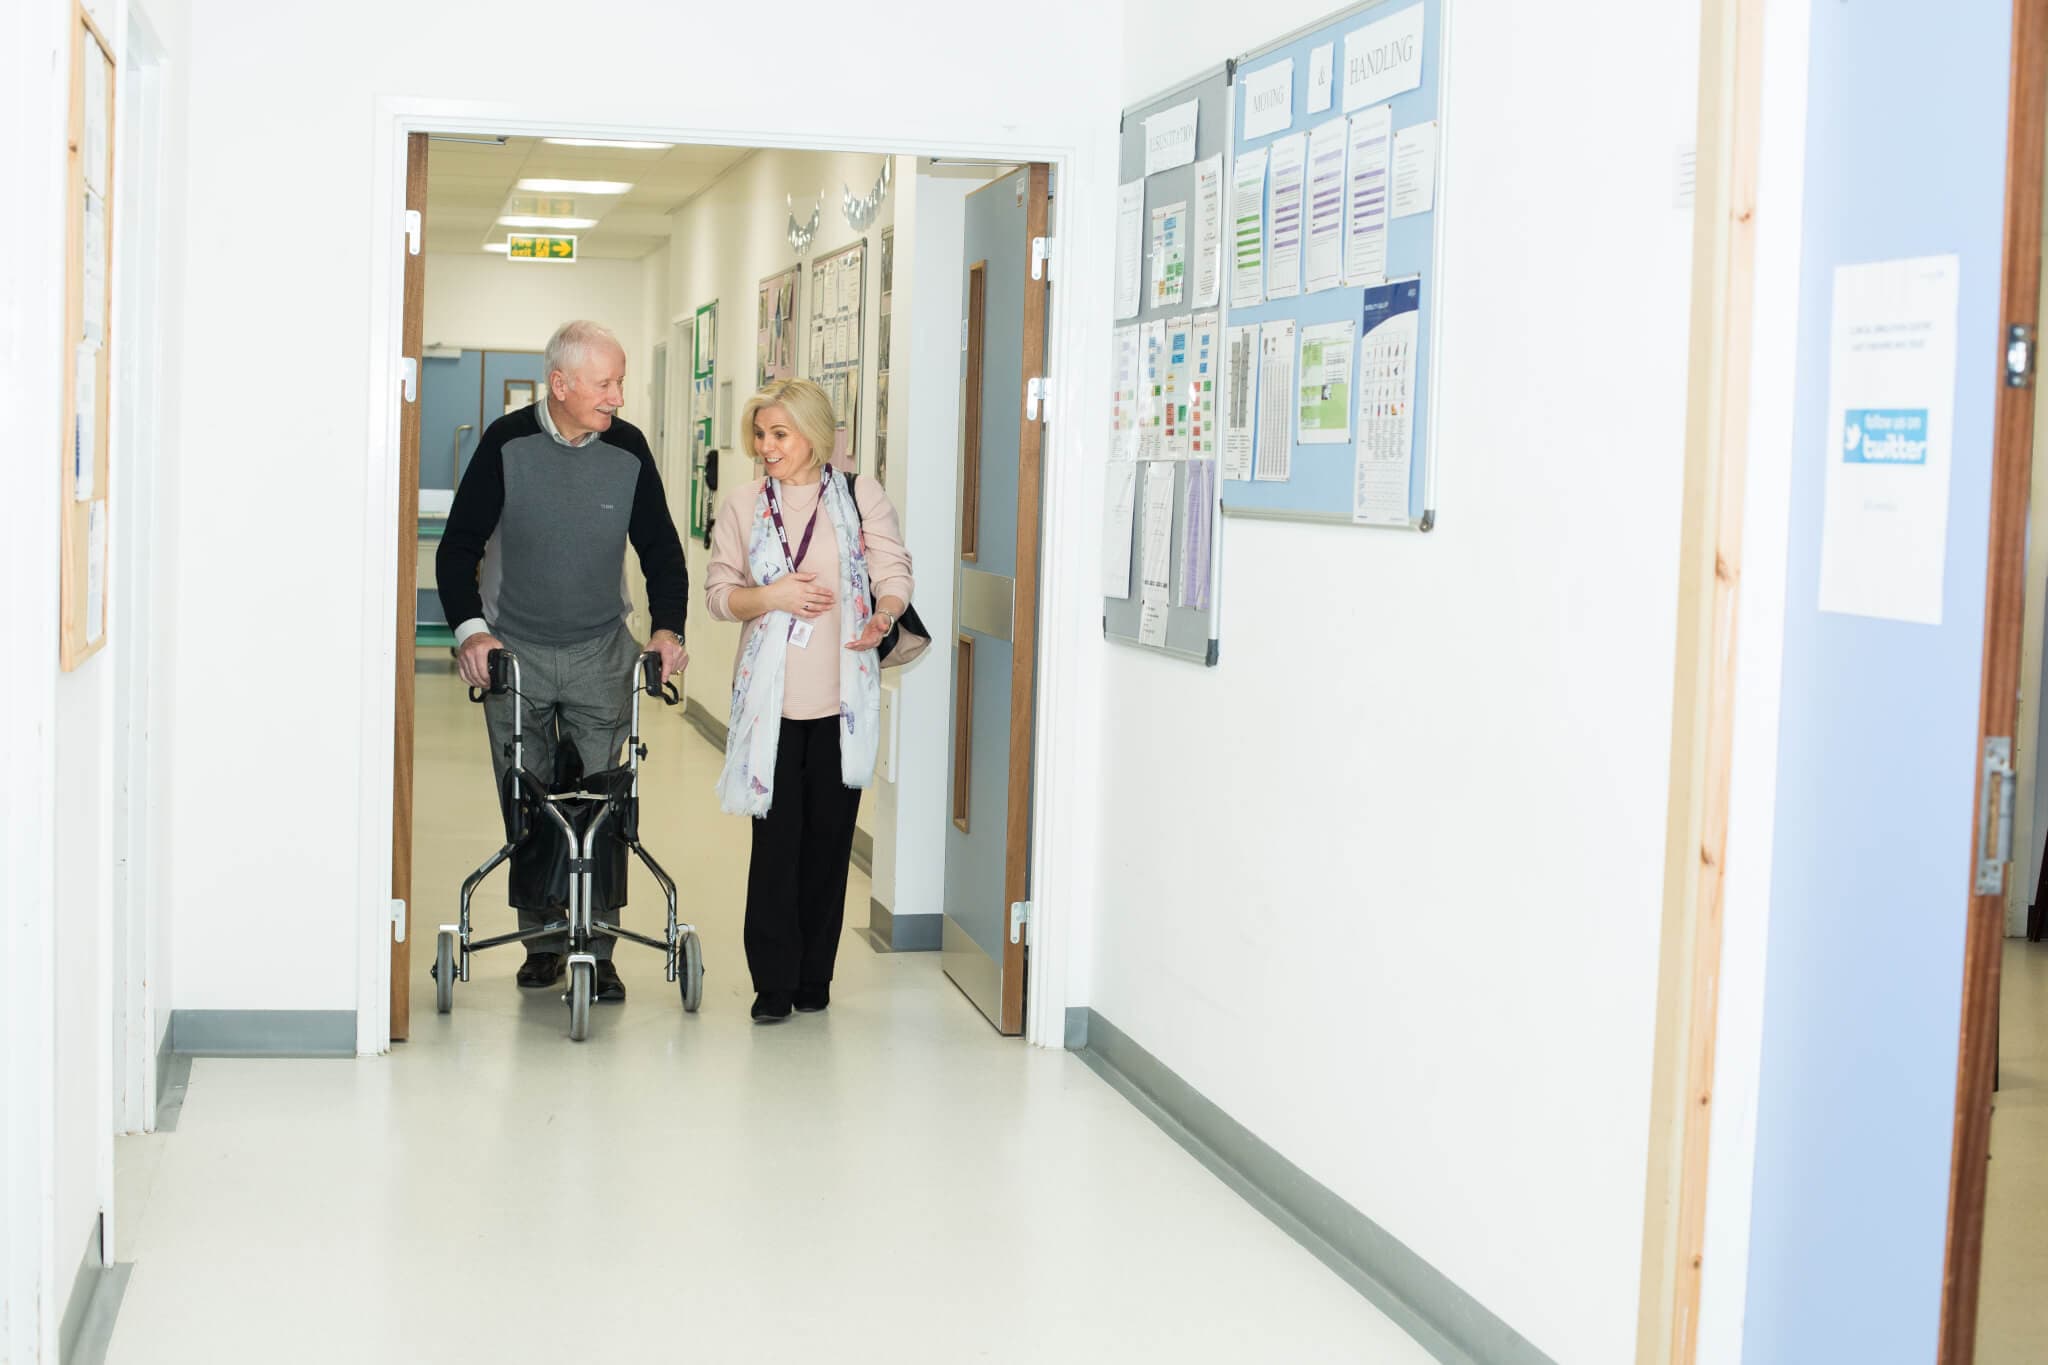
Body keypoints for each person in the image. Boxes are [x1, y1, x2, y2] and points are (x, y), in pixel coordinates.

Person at [436, 320, 688, 1003]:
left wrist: (667, 629)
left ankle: (598, 947)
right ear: (561, 384)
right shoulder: (505, 444)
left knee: (604, 799)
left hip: (601, 649)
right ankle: (543, 943)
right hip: (513, 651)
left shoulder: (628, 450)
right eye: (605, 383)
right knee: (530, 796)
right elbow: (458, 547)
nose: (617, 396)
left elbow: (662, 548)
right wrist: (471, 632)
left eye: (620, 381)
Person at [707, 379, 912, 1023]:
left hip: (840, 705)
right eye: (760, 435)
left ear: (815, 436)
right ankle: (772, 982)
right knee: (774, 850)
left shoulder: (858, 496)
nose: (766, 447)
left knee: (829, 846)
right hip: (770, 710)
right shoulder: (742, 504)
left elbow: (892, 570)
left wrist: (885, 614)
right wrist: (772, 597)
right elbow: (719, 595)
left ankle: (813, 978)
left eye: (780, 434)